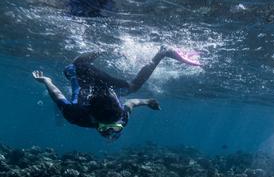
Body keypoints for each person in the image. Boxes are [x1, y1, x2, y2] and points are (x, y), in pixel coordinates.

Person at [32, 46, 200, 140]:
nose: (111, 131)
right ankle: (164, 52)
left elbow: (57, 96)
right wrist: (147, 101)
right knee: (133, 87)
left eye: (106, 128)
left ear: (93, 119)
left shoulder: (75, 116)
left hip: (84, 75)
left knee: (72, 68)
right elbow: (131, 102)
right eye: (117, 127)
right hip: (108, 87)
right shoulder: (121, 118)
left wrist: (46, 80)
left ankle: (101, 48)